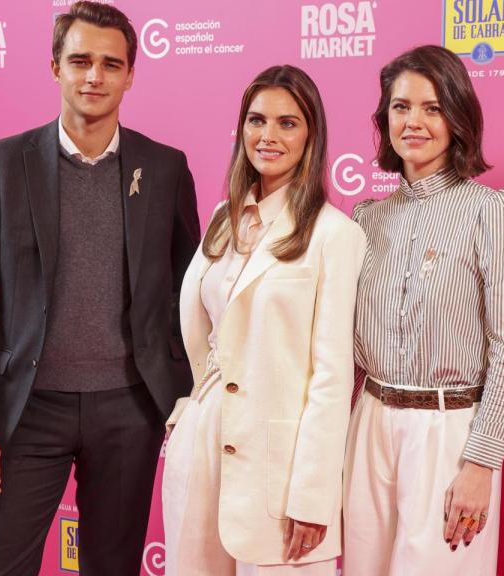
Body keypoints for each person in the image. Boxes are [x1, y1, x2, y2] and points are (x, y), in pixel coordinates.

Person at [0, 3, 200, 574]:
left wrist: (183, 395)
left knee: (112, 566)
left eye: (111, 64)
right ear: (55, 67)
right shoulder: (1, 165)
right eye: (80, 60)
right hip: (24, 412)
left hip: (130, 410)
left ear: (131, 74)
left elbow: (190, 293)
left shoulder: (165, 169)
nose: (95, 76)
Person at [162, 64, 365, 576]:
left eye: (287, 123)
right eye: (256, 120)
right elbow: (205, 335)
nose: (268, 135)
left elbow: (332, 374)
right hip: (203, 446)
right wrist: (189, 414)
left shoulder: (334, 235)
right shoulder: (220, 220)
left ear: (312, 134)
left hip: (279, 467)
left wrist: (313, 496)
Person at [344, 45, 504, 575]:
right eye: (401, 107)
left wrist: (481, 461)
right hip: (370, 421)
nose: (414, 121)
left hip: (449, 429)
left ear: (457, 117)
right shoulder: (365, 218)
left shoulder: (493, 211)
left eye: (432, 108)